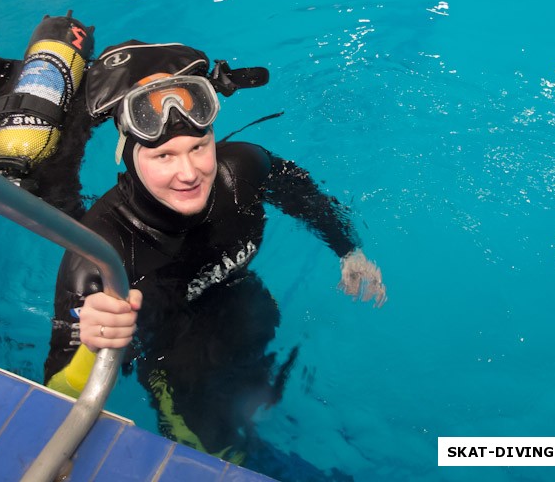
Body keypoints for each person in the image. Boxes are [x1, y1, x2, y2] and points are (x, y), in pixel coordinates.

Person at [44, 73, 385, 479]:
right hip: (174, 359)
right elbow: (56, 403)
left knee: (263, 402)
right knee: (220, 455)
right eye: (164, 156)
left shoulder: (242, 169)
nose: (189, 173)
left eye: (198, 147)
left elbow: (304, 195)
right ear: (130, 159)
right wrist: (94, 343)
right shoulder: (99, 255)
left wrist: (348, 250)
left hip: (245, 306)